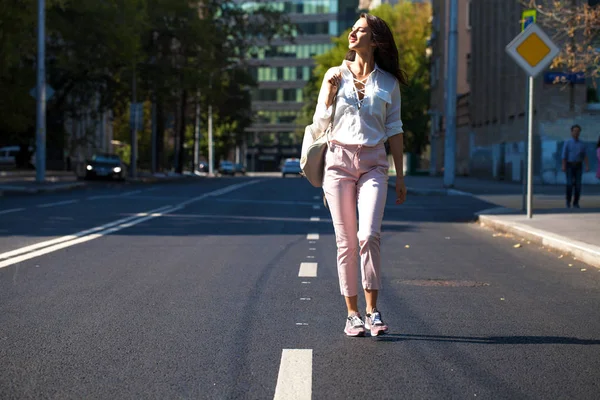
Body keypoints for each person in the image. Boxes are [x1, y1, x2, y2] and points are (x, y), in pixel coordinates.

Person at [312, 14, 407, 337]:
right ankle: (352, 314)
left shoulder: (388, 84)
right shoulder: (334, 74)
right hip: (338, 163)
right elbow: (320, 123)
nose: (352, 33)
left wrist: (401, 176)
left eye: (360, 29)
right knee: (346, 242)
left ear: (375, 39)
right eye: (352, 28)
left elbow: (394, 129)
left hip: (374, 164)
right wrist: (328, 95)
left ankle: (373, 310)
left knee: (368, 235)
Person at [561, 125, 590, 208]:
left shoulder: (582, 144)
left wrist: (587, 166)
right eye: (574, 131)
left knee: (578, 185)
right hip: (569, 165)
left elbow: (585, 155)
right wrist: (563, 166)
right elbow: (564, 155)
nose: (576, 133)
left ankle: (576, 202)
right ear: (571, 132)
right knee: (569, 184)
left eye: (578, 131)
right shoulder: (567, 142)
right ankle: (568, 201)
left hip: (578, 165)